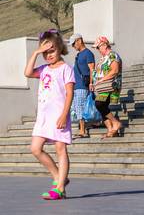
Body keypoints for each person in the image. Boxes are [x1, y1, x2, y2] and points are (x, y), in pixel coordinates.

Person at [26, 31, 73, 200]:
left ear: (59, 48)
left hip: (59, 115)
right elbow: (28, 73)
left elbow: (69, 94)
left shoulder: (66, 69)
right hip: (43, 118)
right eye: (45, 53)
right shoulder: (44, 69)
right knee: (35, 149)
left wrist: (64, 115)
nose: (48, 55)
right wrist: (36, 52)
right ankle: (58, 177)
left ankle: (59, 188)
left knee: (60, 149)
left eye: (51, 51)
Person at [91, 37, 124, 138]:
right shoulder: (103, 58)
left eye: (98, 47)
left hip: (110, 85)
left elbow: (115, 70)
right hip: (103, 87)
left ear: (105, 45)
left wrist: (102, 79)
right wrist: (93, 81)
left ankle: (116, 123)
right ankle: (111, 130)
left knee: (99, 104)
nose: (97, 50)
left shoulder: (113, 55)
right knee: (100, 106)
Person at [68, 35, 96, 139]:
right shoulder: (78, 55)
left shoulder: (88, 53)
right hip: (76, 85)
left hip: (83, 86)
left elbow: (92, 69)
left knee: (80, 107)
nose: (73, 46)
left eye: (74, 43)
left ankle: (83, 130)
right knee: (77, 107)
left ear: (79, 40)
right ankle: (82, 128)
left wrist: (91, 83)